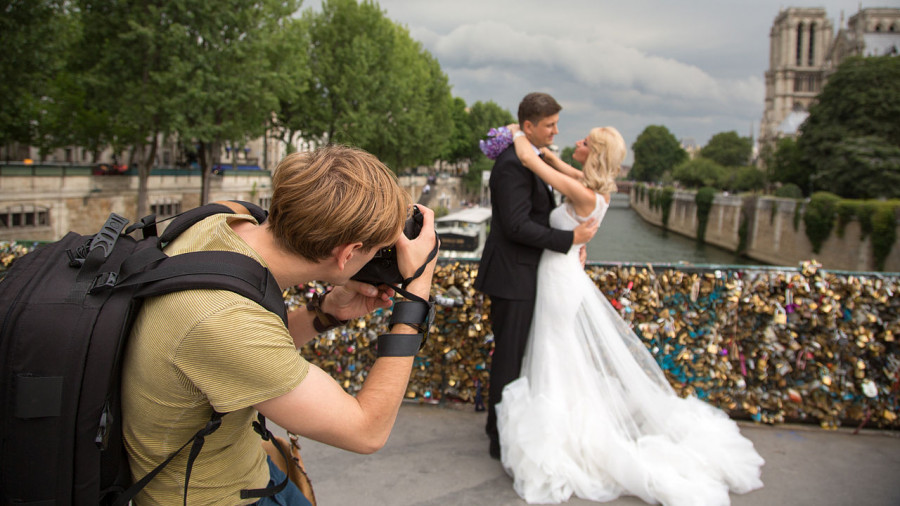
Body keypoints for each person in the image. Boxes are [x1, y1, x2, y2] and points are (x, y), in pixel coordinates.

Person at [121, 145, 439, 505]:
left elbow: (238, 354)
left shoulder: (221, 221)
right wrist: (416, 294)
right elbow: (367, 431)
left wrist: (326, 313)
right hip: (215, 496)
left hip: (241, 463)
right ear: (348, 254)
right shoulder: (222, 320)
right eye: (376, 250)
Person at [495, 125, 765, 505]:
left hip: (559, 277)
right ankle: (563, 418)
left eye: (585, 142)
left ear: (595, 154)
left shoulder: (582, 192)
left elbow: (528, 159)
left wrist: (514, 131)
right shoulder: (596, 189)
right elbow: (552, 161)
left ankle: (561, 426)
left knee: (555, 347)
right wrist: (548, 153)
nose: (576, 143)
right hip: (565, 273)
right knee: (559, 348)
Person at [474, 92, 599, 460]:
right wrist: (569, 239)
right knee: (509, 359)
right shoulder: (513, 164)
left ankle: (507, 427)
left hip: (523, 273)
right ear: (529, 126)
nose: (556, 131)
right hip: (512, 277)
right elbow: (515, 226)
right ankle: (500, 437)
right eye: (550, 125)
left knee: (516, 357)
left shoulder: (530, 158)